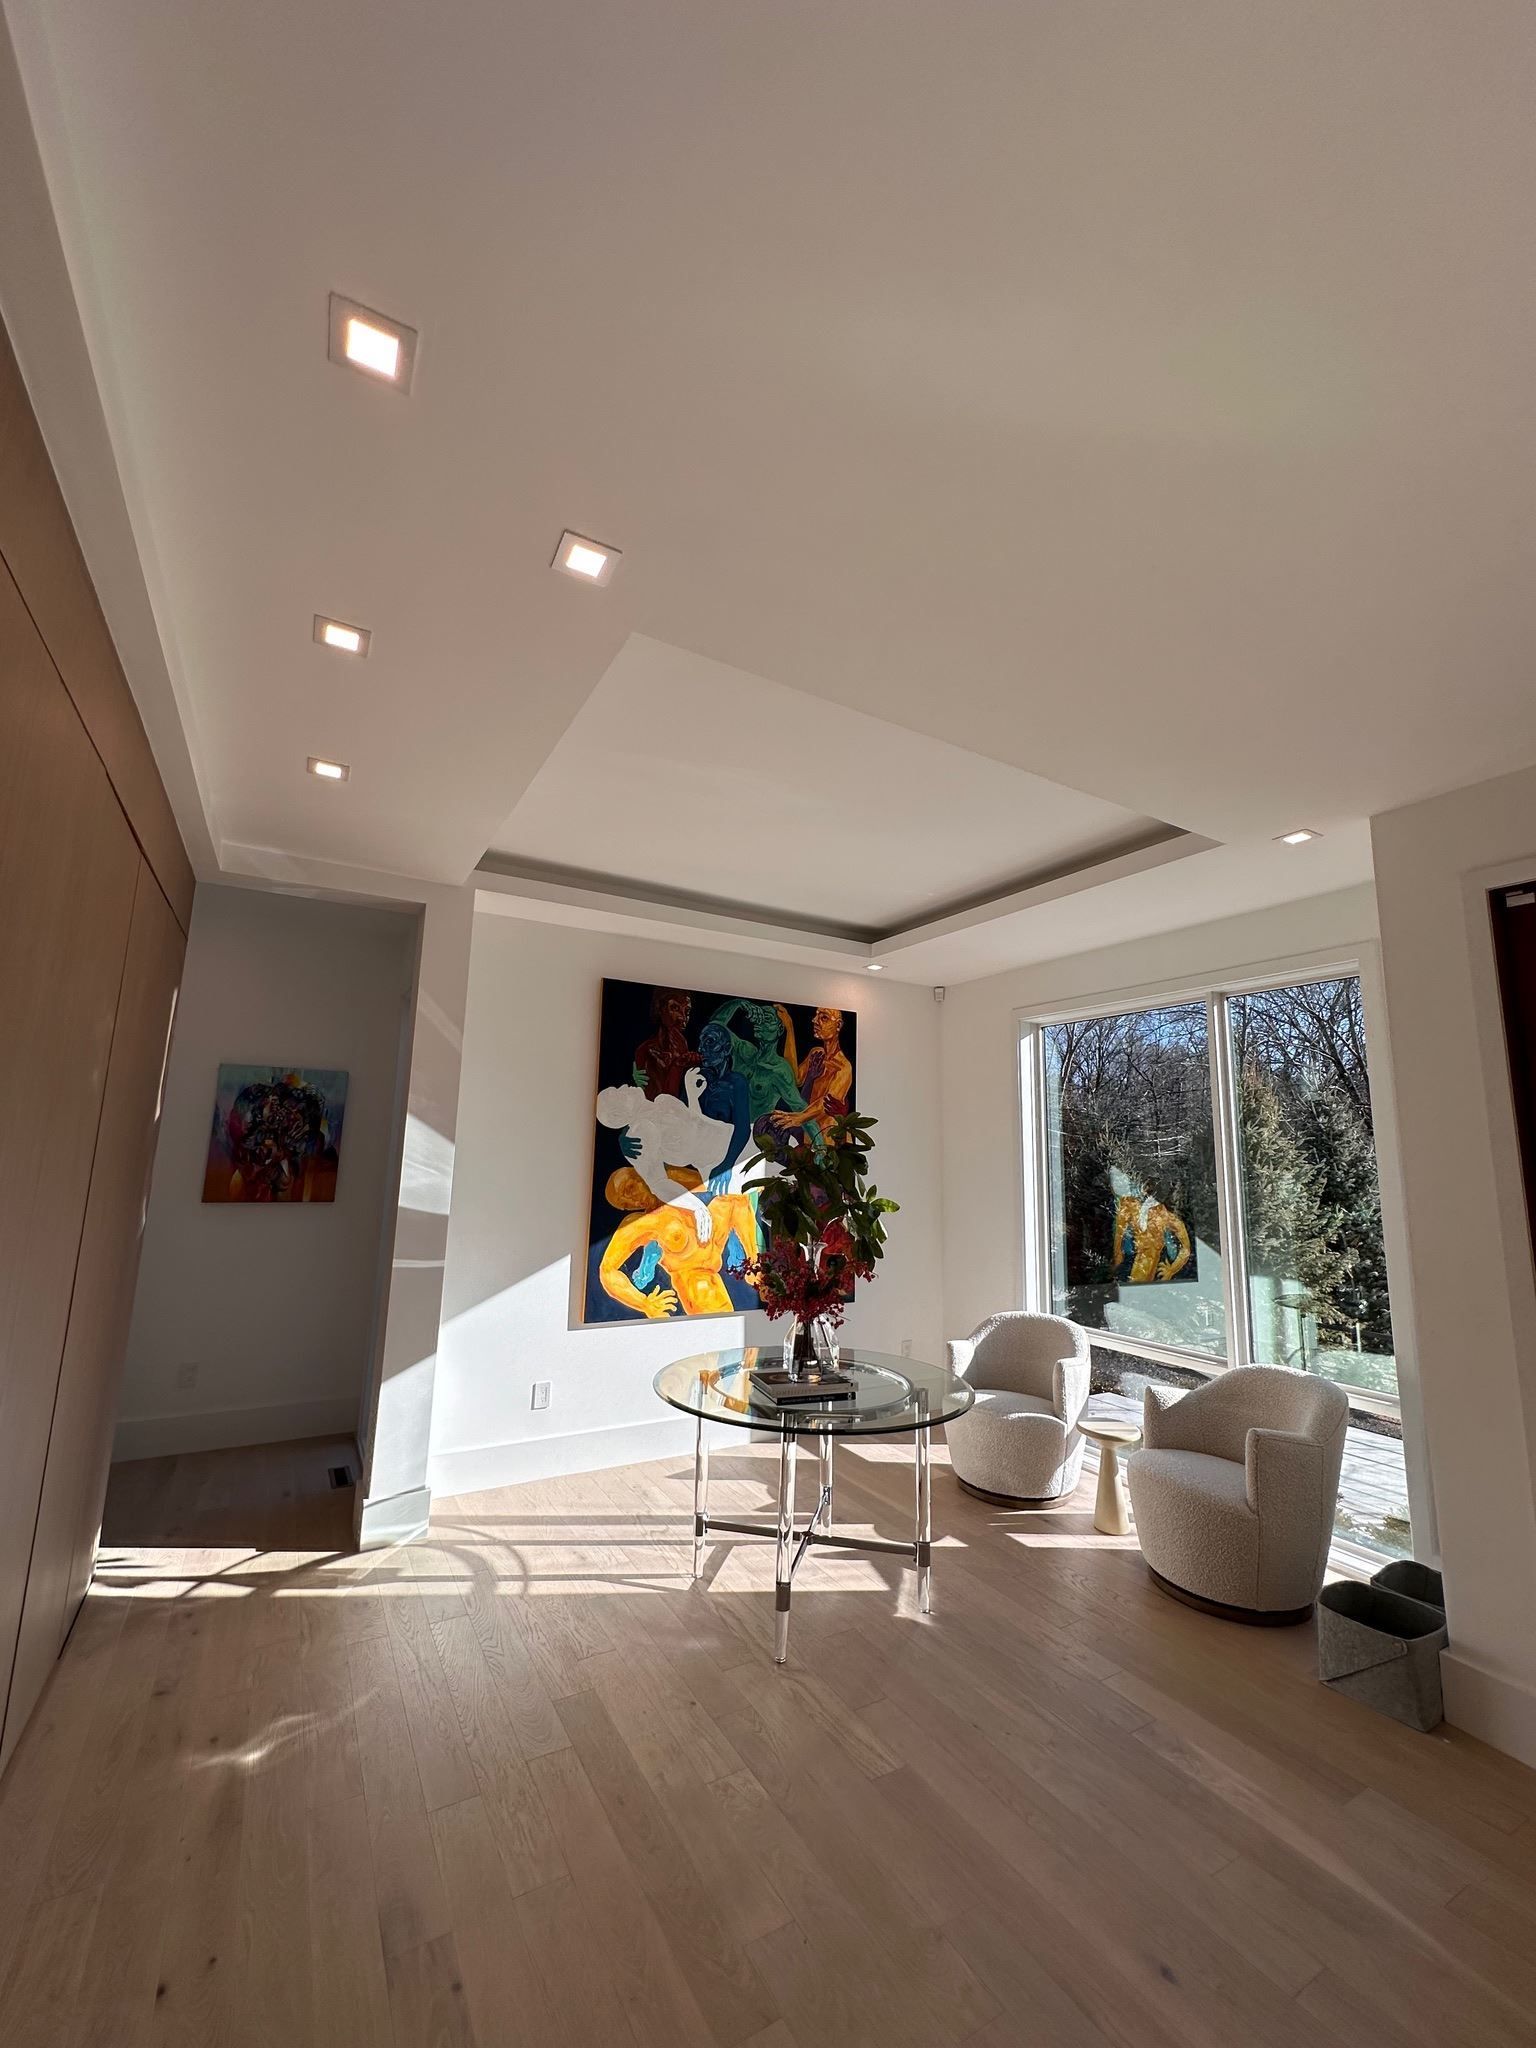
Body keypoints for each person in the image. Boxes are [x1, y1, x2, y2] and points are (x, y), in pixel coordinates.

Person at [598, 1188, 760, 1318]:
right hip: (695, 1277)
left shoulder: (684, 1189)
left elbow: (737, 1201)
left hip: (715, 1248)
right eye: (625, 1203)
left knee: (732, 1199)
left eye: (630, 1188)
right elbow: (607, 1270)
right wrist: (644, 1303)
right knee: (714, 1310)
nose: (633, 1200)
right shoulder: (643, 1223)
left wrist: (753, 1257)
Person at [770, 1006, 852, 1146]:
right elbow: (793, 1078)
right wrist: (789, 1028)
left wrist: (799, 1118)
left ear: (838, 1025)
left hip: (830, 1139)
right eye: (816, 1016)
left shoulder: (843, 1067)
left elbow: (827, 1103)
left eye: (824, 1017)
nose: (815, 1020)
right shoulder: (816, 1053)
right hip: (810, 1135)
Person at [1112, 1188, 1192, 1283]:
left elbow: (1186, 1248)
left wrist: (1171, 1270)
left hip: (1146, 1271)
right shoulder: (1129, 1204)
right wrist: (1117, 1253)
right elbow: (1119, 1231)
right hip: (1129, 1266)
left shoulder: (1167, 1217)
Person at [631, 987, 694, 1101]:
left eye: (687, 1011)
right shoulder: (645, 1050)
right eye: (675, 1008)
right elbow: (661, 1102)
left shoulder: (691, 1051)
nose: (683, 1017)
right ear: (659, 1008)